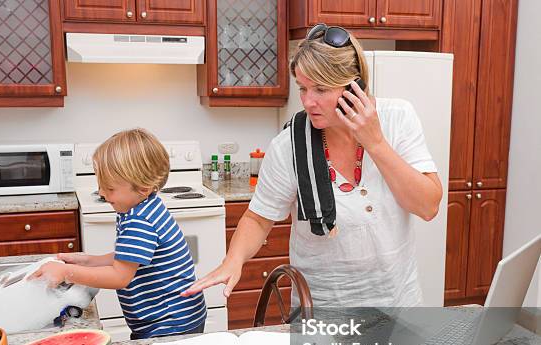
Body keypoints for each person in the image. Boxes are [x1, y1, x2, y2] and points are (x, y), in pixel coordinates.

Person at [183, 25, 442, 308]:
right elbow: (258, 219)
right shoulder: (289, 146)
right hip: (321, 310)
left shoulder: (398, 119)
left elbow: (427, 206)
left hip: (399, 304)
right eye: (303, 88)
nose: (308, 101)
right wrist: (232, 261)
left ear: (355, 86)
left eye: (320, 89)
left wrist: (376, 143)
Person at [30, 129, 207, 338]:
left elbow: (120, 276)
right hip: (176, 318)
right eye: (100, 186)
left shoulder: (140, 220)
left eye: (110, 188)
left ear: (142, 188)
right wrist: (87, 261)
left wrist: (67, 272)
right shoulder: (142, 207)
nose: (103, 193)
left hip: (169, 324)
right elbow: (129, 259)